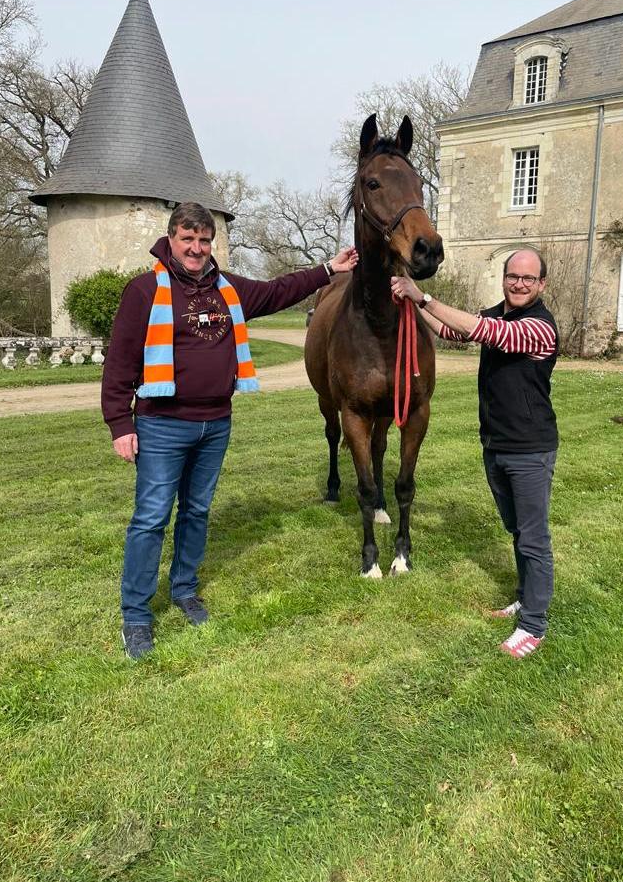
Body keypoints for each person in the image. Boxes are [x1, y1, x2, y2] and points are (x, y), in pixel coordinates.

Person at [102, 202, 358, 659]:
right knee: (151, 518)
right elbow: (119, 362)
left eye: (204, 240)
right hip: (162, 425)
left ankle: (184, 589)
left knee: (197, 512)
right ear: (171, 241)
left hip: (215, 423)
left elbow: (280, 290)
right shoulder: (144, 291)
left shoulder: (228, 289)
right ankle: (136, 615)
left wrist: (327, 270)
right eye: (188, 240)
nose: (197, 248)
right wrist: (121, 423)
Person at [391, 248, 558, 659]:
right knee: (517, 530)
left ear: (541, 285)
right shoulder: (497, 314)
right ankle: (525, 597)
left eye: (528, 278)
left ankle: (534, 625)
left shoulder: (539, 327)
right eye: (513, 276)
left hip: (530, 448)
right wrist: (413, 303)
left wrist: (424, 296)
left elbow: (485, 332)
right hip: (496, 444)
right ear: (504, 278)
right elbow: (455, 331)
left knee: (534, 538)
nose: (519, 283)